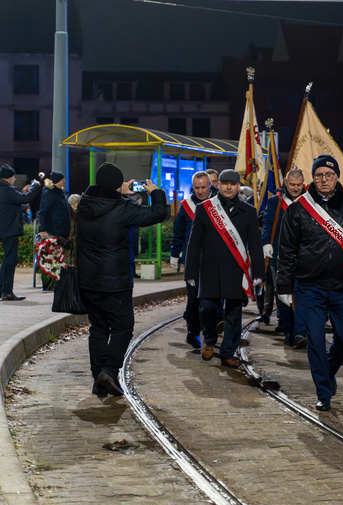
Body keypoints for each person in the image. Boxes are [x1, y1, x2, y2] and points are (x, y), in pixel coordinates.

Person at [276, 155, 343, 412]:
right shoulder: (299, 208)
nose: (324, 179)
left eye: (329, 175)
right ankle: (323, 392)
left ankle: (329, 371)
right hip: (310, 287)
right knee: (315, 340)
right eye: (319, 175)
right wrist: (284, 286)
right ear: (314, 177)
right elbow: (286, 250)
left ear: (337, 177)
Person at [77, 162, 169, 396]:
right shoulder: (122, 208)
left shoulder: (85, 205)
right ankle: (109, 369)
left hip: (88, 281)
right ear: (118, 184)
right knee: (122, 327)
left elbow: (107, 203)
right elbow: (158, 213)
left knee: (98, 327)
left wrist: (120, 193)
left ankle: (99, 381)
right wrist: (155, 193)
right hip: (115, 282)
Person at [184, 169, 264, 369]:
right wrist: (190, 272)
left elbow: (255, 244)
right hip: (209, 269)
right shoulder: (205, 209)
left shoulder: (248, 212)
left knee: (234, 314)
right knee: (208, 309)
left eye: (232, 183)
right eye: (225, 183)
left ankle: (228, 352)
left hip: (235, 270)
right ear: (218, 184)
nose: (228, 186)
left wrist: (259, 274)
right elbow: (194, 243)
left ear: (238, 186)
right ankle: (209, 340)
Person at [261, 168, 306, 347]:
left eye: (299, 185)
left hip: (305, 256)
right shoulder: (275, 203)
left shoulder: (309, 201)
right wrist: (265, 243)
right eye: (292, 185)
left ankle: (300, 333)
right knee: (283, 296)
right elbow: (267, 223)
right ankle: (288, 330)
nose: (295, 188)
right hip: (280, 256)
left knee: (302, 295)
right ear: (285, 183)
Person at [170, 171, 214, 349]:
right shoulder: (187, 205)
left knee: (210, 300)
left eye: (204, 187)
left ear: (210, 186)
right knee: (193, 299)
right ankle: (193, 332)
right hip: (192, 261)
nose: (201, 191)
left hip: (213, 260)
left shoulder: (218, 203)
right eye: (197, 188)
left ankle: (210, 332)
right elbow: (178, 231)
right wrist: (174, 254)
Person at [0, 164, 42, 301]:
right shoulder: (6, 189)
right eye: (13, 177)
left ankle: (3, 290)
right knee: (11, 259)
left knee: (7, 259)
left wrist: (22, 192)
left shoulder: (5, 189)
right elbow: (26, 199)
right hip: (9, 229)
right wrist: (35, 186)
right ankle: (6, 292)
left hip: (5, 228)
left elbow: (17, 198)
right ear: (10, 177)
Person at [38, 171, 71, 241]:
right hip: (53, 232)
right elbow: (43, 212)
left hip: (62, 232)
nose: (64, 181)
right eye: (62, 179)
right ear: (57, 181)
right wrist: (42, 229)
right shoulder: (48, 194)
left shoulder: (61, 193)